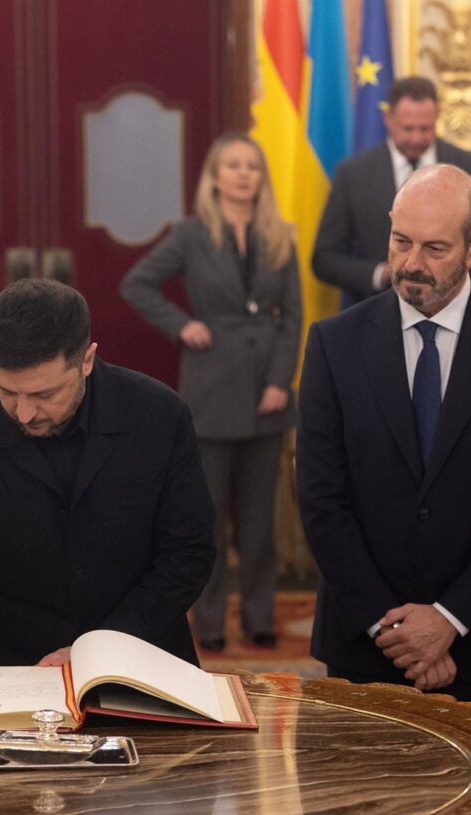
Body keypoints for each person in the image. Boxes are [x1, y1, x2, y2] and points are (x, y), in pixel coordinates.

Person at [297, 164, 471, 719]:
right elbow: (322, 500)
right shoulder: (333, 343)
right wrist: (393, 627)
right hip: (367, 647)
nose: (412, 264)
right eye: (401, 242)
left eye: (435, 248)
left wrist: (449, 619)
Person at [0, 278, 215, 670]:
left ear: (87, 360)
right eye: (7, 392)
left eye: (44, 395)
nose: (24, 413)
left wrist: (102, 647)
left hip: (144, 655)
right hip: (17, 668)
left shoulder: (159, 417)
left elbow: (188, 555)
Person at [120, 132, 302, 652]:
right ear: (215, 176)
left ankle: (261, 612)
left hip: (266, 392)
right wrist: (181, 324)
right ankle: (211, 620)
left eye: (253, 166)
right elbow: (136, 283)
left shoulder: (279, 233)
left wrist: (278, 381)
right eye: (234, 165)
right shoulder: (191, 233)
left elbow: (293, 317)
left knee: (259, 520)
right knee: (208, 518)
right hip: (211, 390)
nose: (244, 173)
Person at [312, 76, 471, 304]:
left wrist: (447, 277)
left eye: (425, 129)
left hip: (455, 308)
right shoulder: (353, 173)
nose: (416, 138)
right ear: (388, 119)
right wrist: (381, 273)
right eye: (408, 128)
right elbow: (325, 258)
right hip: (374, 312)